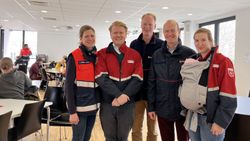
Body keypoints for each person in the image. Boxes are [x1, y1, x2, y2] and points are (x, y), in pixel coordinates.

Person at [182, 28, 237, 141]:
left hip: (211, 119)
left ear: (211, 41)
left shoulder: (223, 62)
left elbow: (229, 95)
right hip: (194, 116)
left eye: (203, 40)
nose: (199, 44)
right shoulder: (195, 61)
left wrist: (220, 122)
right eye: (196, 40)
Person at [147, 20, 196, 141]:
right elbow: (152, 82)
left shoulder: (190, 54)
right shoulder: (157, 55)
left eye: (172, 30)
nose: (170, 33)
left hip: (184, 108)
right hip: (162, 107)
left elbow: (196, 83)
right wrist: (151, 107)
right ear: (163, 33)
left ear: (178, 31)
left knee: (184, 139)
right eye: (167, 31)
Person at [95, 21, 143, 141]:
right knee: (109, 137)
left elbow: (138, 79)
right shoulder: (102, 54)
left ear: (126, 34)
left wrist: (124, 96)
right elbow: (101, 78)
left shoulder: (135, 55)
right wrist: (118, 95)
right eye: (115, 32)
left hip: (128, 105)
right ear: (110, 34)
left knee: (123, 138)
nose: (118, 35)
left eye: (121, 32)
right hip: (107, 103)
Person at [130, 13, 163, 141]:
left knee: (153, 130)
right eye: (145, 24)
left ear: (155, 26)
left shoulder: (161, 45)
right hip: (137, 94)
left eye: (150, 24)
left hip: (153, 96)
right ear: (141, 25)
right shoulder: (134, 44)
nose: (147, 27)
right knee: (136, 128)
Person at [65, 25, 100, 141]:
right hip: (79, 109)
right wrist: (72, 112)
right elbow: (68, 86)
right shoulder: (74, 56)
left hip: (93, 107)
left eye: (92, 36)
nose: (90, 38)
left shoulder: (97, 56)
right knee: (78, 139)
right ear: (81, 39)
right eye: (86, 36)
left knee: (86, 138)